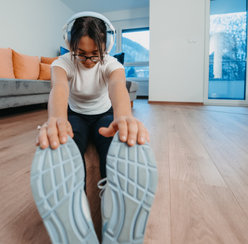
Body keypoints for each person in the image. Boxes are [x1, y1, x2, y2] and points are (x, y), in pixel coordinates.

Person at [30, 12, 157, 244]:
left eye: (94, 55)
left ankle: (113, 198)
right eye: (81, 54)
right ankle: (74, 198)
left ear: (105, 48)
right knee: (70, 143)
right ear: (71, 46)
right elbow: (58, 89)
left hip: (104, 114)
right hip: (75, 114)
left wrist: (124, 117)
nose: (88, 60)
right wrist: (56, 119)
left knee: (112, 145)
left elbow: (118, 86)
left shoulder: (112, 64)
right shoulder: (62, 63)